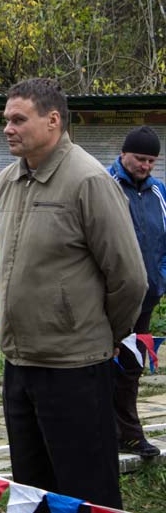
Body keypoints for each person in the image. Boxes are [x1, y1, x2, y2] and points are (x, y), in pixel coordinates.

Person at [0, 78, 147, 513]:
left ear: (53, 121)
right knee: (35, 487)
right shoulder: (8, 181)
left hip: (76, 368)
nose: (8, 128)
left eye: (18, 119)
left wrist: (94, 335)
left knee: (91, 492)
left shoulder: (88, 182)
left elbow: (130, 278)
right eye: (5, 119)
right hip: (20, 363)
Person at [108, 126, 166, 457]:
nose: (144, 166)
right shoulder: (105, 185)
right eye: (139, 158)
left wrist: (160, 278)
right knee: (102, 367)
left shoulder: (159, 192)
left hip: (146, 298)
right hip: (109, 300)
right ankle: (101, 432)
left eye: (151, 161)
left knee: (131, 367)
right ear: (123, 154)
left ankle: (128, 434)